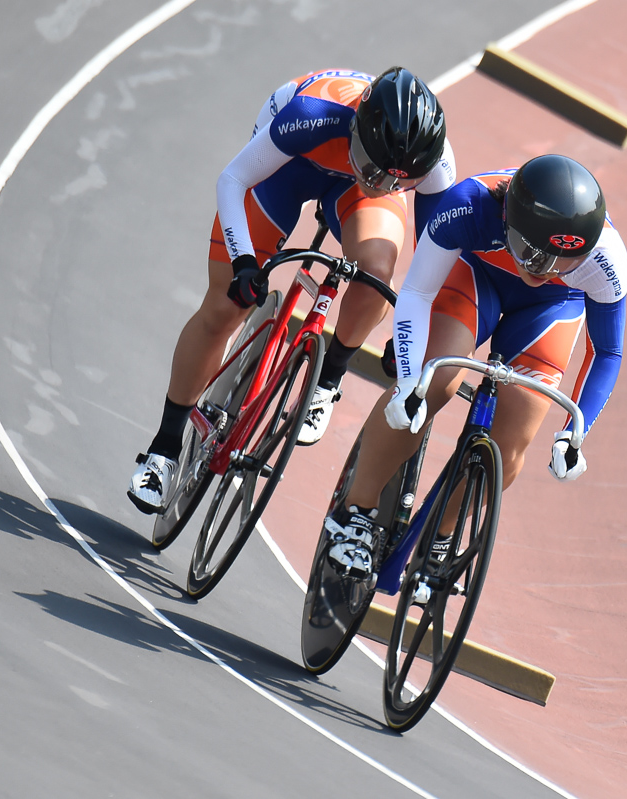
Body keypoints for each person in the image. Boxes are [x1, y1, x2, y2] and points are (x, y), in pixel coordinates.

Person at [128, 67, 455, 514]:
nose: (382, 185)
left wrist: (410, 342)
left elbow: (431, 266)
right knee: (224, 307)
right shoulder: (312, 114)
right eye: (376, 171)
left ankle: (330, 374)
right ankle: (164, 450)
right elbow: (233, 180)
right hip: (292, 163)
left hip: (351, 192)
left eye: (398, 182)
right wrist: (244, 262)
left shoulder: (431, 163)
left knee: (377, 277)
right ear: (358, 126)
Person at [323, 154, 627, 578]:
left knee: (512, 442)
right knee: (437, 382)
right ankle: (355, 511)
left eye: (562, 264)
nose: (542, 271)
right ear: (507, 220)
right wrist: (412, 378)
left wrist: (574, 433)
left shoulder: (607, 259)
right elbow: (416, 293)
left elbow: (607, 352)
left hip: (553, 307)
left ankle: (441, 534)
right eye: (531, 255)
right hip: (476, 273)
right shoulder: (470, 204)